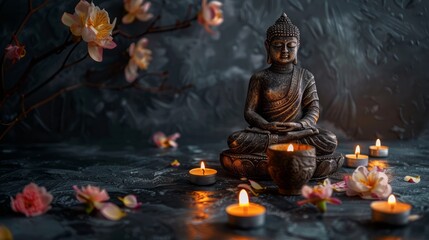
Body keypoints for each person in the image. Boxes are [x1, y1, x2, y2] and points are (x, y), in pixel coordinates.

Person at [221, 13, 342, 179]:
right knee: (236, 140)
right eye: (278, 45)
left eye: (290, 46)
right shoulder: (260, 77)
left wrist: (299, 126)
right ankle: (288, 142)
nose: (285, 50)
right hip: (268, 133)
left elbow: (313, 109)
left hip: (298, 132)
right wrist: (266, 125)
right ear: (267, 47)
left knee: (329, 140)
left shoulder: (306, 76)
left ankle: (285, 141)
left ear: (298, 47)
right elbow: (249, 112)